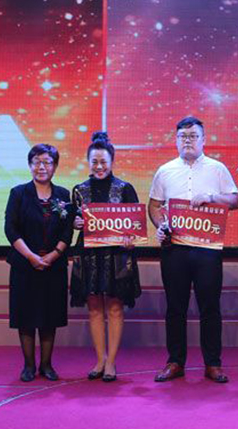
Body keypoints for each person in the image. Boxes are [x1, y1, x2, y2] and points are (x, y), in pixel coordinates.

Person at [149, 117, 238, 384]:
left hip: (207, 250)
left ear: (203, 140)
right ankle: (175, 361)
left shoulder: (217, 169)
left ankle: (213, 363)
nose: (187, 141)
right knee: (175, 307)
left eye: (193, 136)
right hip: (174, 248)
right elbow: (154, 205)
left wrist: (212, 197)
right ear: (176, 140)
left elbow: (235, 200)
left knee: (209, 307)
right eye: (183, 136)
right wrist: (160, 224)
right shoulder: (165, 170)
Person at [70, 131, 142, 382]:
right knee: (93, 308)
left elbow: (135, 228)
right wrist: (75, 223)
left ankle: (111, 361)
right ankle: (99, 360)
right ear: (88, 162)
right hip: (88, 256)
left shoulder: (125, 189)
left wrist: (131, 238)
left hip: (116, 257)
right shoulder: (79, 191)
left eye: (103, 162)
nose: (99, 166)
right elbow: (73, 222)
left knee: (114, 308)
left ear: (112, 161)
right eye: (95, 162)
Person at [4, 144, 73, 382]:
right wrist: (31, 257)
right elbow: (10, 229)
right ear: (30, 165)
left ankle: (46, 365)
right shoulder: (18, 193)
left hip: (54, 266)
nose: (41, 167)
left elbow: (67, 231)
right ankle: (28, 366)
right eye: (36, 162)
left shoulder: (63, 195)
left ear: (55, 166)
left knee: (49, 317)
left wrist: (54, 255)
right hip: (25, 266)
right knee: (25, 317)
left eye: (47, 162)